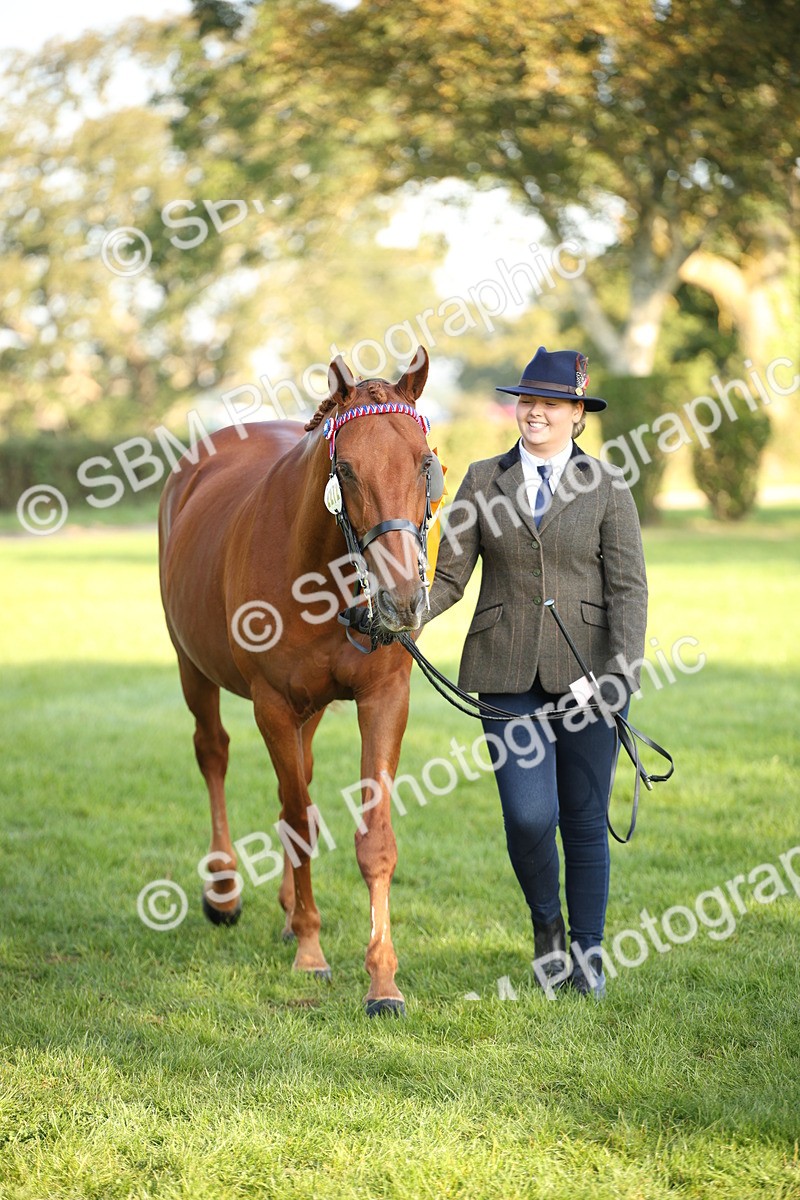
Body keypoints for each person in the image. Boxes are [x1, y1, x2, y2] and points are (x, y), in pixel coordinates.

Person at [424, 346, 647, 999]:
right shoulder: (481, 480)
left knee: (583, 820)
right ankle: (546, 923)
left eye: (551, 403)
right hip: (505, 671)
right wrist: (409, 617)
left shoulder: (607, 484)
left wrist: (621, 676)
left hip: (590, 675)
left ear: (577, 414)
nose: (536, 412)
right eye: (528, 401)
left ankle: (588, 956)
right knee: (528, 817)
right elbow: (449, 577)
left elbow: (629, 588)